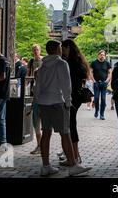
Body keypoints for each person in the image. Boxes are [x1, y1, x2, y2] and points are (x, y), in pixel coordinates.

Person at [34, 40, 91, 177]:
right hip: (58, 102)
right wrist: (68, 102)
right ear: (56, 49)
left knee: (46, 133)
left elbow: (38, 87)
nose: (61, 49)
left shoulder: (42, 66)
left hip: (44, 103)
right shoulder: (61, 63)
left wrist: (37, 102)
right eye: (60, 47)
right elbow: (67, 86)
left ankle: (46, 166)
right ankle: (73, 165)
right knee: (65, 133)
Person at [61, 39, 91, 165]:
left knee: (70, 126)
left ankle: (74, 157)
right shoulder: (79, 61)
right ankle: (74, 155)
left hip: (70, 97)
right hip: (77, 97)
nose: (62, 50)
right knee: (71, 125)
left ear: (67, 47)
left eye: (63, 48)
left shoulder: (68, 62)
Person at [28, 44, 43, 155]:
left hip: (44, 104)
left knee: (44, 127)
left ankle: (42, 146)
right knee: (37, 126)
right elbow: (29, 73)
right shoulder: (31, 61)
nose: (36, 51)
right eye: (34, 49)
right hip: (36, 93)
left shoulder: (44, 60)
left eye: (37, 49)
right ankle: (39, 146)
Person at [90, 50, 112, 120]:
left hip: (104, 84)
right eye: (101, 55)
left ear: (105, 56)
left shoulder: (107, 63)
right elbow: (90, 72)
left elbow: (110, 73)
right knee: (96, 99)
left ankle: (102, 114)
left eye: (103, 55)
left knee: (103, 99)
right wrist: (93, 81)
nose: (102, 56)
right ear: (98, 55)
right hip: (96, 83)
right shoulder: (94, 63)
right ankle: (96, 110)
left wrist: (107, 81)